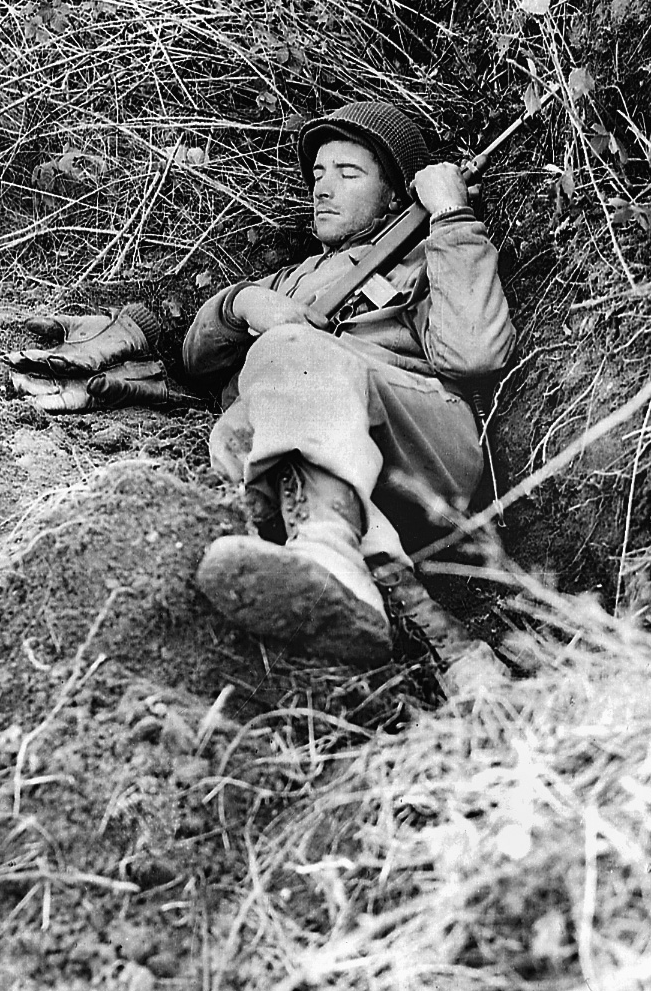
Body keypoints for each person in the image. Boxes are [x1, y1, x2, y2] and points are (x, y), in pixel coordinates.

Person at [182, 101, 516, 666]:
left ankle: (331, 550)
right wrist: (242, 302)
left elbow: (475, 354)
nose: (323, 188)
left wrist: (451, 216)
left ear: (394, 195)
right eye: (317, 175)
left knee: (288, 359)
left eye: (348, 173)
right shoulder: (293, 277)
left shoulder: (431, 255)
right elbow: (196, 361)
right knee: (239, 432)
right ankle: (413, 620)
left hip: (421, 448)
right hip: (327, 461)